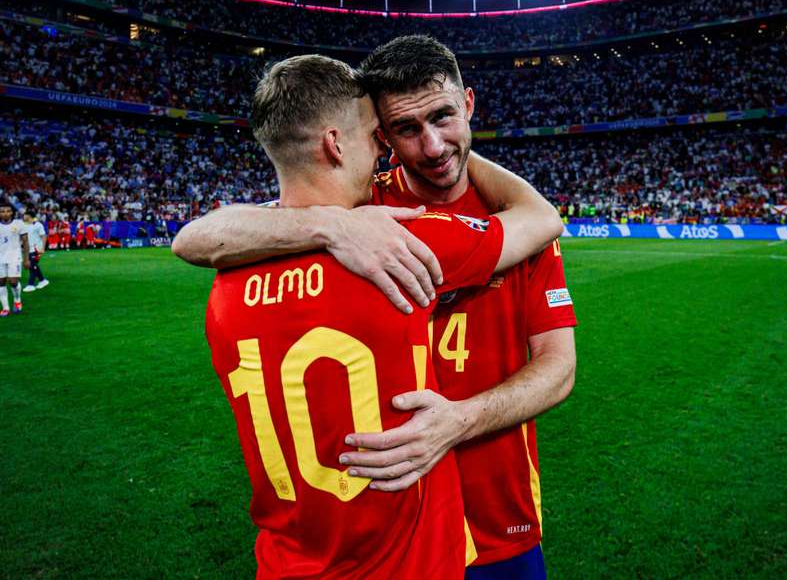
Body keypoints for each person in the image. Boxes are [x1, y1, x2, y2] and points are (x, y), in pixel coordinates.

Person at [174, 35, 577, 579]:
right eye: (407, 130)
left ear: (469, 106)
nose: (432, 147)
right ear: (380, 138)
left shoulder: (517, 229)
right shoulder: (363, 206)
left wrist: (459, 421)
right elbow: (198, 237)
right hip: (392, 521)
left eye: (444, 117)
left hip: (497, 516)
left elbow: (558, 368)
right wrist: (331, 224)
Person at [0, 202, 30, 316]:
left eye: (8, 211)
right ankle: (5, 308)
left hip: (14, 256)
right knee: (1, 282)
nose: (5, 214)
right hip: (0, 258)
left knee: (13, 282)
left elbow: (26, 242)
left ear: (12, 212)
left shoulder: (19, 224)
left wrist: (26, 259)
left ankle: (17, 301)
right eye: (2, 211)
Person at [22, 211, 49, 292]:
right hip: (29, 249)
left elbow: (44, 236)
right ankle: (43, 281)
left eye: (25, 215)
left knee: (32, 266)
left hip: (37, 248)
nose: (23, 216)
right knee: (34, 265)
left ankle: (31, 285)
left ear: (29, 216)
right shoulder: (25, 225)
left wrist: (43, 248)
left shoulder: (37, 225)